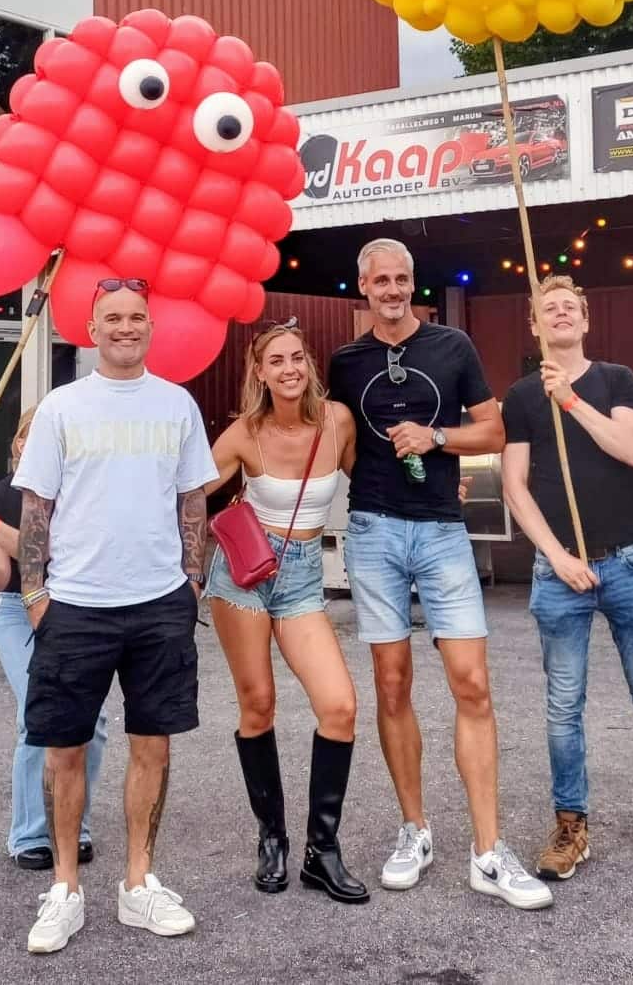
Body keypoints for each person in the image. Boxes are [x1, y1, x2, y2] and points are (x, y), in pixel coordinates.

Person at [325, 237, 551, 910]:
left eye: (402, 280)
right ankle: (414, 830)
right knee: (391, 686)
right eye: (380, 281)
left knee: (471, 684)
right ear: (362, 288)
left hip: (442, 534)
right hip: (371, 530)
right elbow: (338, 440)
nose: (392, 290)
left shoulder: (452, 348)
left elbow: (496, 430)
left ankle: (488, 850)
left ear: (411, 285)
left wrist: (438, 438)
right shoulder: (345, 361)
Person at [11, 277, 216, 955]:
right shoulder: (62, 409)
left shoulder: (177, 404)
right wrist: (37, 596)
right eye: (112, 319)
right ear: (90, 330)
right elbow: (36, 508)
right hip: (75, 605)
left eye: (136, 317)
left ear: (150, 326)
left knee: (152, 746)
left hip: (160, 604)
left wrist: (191, 583)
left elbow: (194, 501)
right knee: (64, 749)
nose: (125, 328)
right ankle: (64, 889)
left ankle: (138, 882)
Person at [500, 276, 633, 882]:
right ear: (534, 327)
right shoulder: (521, 396)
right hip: (561, 569)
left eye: (569, 308)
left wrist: (572, 402)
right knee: (564, 706)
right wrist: (556, 556)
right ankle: (570, 825)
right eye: (547, 309)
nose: (559, 314)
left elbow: (631, 448)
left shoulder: (615, 380)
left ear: (585, 322)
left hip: (629, 562)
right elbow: (515, 485)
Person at [204, 320, 370, 905]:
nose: (289, 369)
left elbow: (369, 480)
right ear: (260, 372)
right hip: (244, 575)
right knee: (259, 704)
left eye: (297, 358)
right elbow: (186, 494)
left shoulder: (338, 422)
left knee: (340, 707)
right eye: (276, 361)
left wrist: (433, 489)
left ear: (310, 363)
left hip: (302, 578)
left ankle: (321, 852)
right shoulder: (243, 435)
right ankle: (271, 837)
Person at [0, 414, 109, 872]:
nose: (38, 444)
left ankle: (74, 827)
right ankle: (31, 833)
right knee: (41, 713)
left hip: (70, 608)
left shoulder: (77, 490)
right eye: (31, 434)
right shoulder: (0, 495)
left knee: (93, 721)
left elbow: (42, 548)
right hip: (15, 611)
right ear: (19, 441)